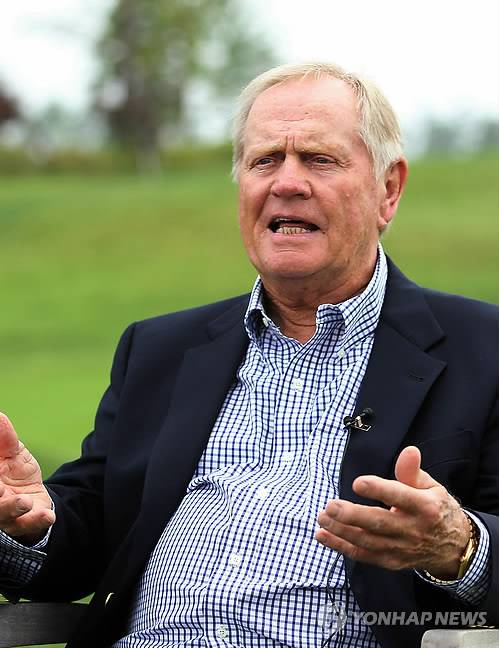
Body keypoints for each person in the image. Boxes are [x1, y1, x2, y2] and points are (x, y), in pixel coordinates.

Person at [0, 62, 497, 648]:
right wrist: (26, 522)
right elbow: (87, 538)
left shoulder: (483, 349)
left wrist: (460, 546)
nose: (286, 182)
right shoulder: (159, 349)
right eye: (265, 160)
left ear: (388, 190)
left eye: (319, 159)